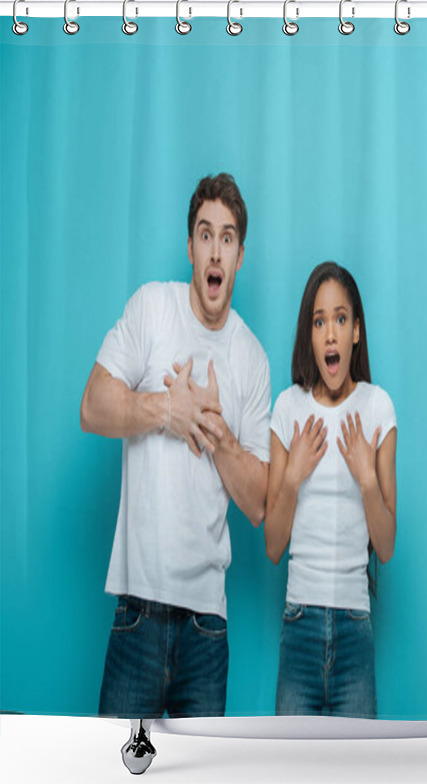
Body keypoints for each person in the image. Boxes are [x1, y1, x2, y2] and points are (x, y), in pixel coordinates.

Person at [80, 173, 271, 718]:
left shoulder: (251, 359)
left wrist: (216, 431)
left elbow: (259, 503)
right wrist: (167, 411)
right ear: (190, 246)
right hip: (138, 613)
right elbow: (93, 406)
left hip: (207, 631)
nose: (216, 250)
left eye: (228, 237)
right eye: (205, 234)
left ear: (239, 257)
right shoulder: (151, 309)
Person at [265, 261, 397, 718]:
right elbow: (272, 547)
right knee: (292, 768)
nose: (331, 334)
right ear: (310, 335)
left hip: (355, 627)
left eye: (341, 319)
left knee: (356, 768)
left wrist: (366, 479)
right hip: (299, 623)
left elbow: (386, 545)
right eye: (319, 321)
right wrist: (290, 477)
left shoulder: (378, 408)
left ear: (356, 331)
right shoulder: (287, 407)